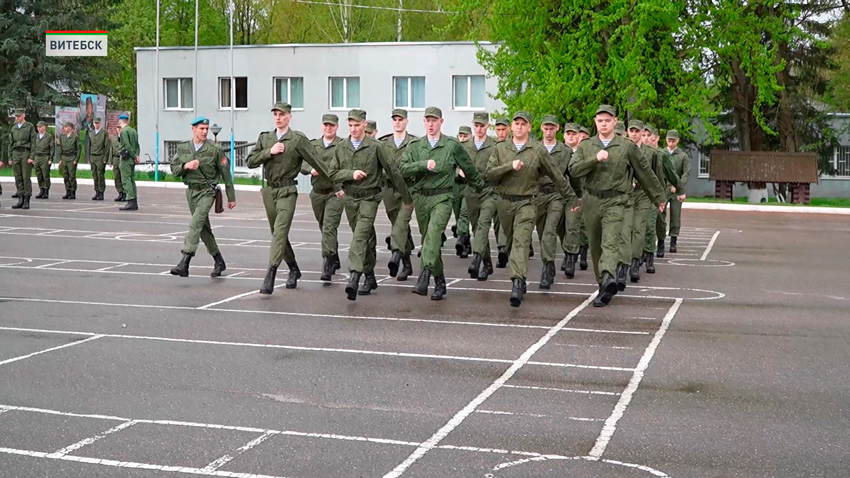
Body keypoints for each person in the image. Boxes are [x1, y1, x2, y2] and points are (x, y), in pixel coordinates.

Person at [569, 105, 666, 308]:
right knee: (595, 245)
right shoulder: (586, 145)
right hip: (592, 200)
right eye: (600, 120)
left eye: (608, 120)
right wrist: (594, 159)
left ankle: (608, 275)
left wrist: (659, 197)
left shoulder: (626, 146)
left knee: (610, 240)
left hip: (616, 200)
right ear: (595, 122)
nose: (604, 124)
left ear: (615, 121)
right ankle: (603, 284)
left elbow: (644, 171)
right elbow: (574, 170)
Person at [487, 112, 578, 307]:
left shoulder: (537, 150)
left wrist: (572, 198)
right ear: (511, 127)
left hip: (527, 203)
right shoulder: (500, 149)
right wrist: (509, 166)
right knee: (511, 243)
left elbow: (557, 175)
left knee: (521, 242)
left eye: (523, 124)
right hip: (505, 202)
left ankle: (517, 282)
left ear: (529, 127)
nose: (520, 127)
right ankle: (518, 274)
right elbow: (490, 174)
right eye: (517, 123)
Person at [246, 102, 333, 294]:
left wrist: (338, 185)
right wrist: (269, 152)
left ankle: (270, 274)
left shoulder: (297, 139)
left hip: (287, 191)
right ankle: (293, 267)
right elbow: (250, 161)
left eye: (282, 114)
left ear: (289, 116)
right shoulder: (265, 138)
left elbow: (317, 162)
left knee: (280, 232)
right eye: (275, 114)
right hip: (270, 191)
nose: (278, 118)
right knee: (277, 233)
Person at [400, 106, 484, 300]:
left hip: (443, 198)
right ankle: (439, 281)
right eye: (428, 120)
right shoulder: (415, 146)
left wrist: (481, 188)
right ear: (424, 122)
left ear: (441, 122)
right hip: (422, 198)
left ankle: (424, 276)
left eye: (434, 120)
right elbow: (402, 169)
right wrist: (422, 165)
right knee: (429, 241)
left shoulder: (452, 146)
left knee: (433, 234)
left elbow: (469, 168)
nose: (431, 124)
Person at [329, 109, 413, 301]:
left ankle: (354, 277)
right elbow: (332, 173)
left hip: (370, 198)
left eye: (357, 125)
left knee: (359, 237)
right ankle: (370, 276)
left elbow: (392, 172)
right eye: (350, 125)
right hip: (351, 199)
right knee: (366, 239)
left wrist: (407, 198)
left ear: (365, 124)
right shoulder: (341, 147)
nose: (353, 129)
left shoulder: (376, 146)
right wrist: (350, 174)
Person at [169, 117, 237, 277]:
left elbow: (226, 173)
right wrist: (186, 166)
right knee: (203, 229)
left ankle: (185, 261)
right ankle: (219, 261)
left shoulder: (214, 149)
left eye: (206, 128)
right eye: (201, 128)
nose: (205, 131)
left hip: (207, 192)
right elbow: (174, 169)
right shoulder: (184, 148)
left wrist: (231, 197)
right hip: (191, 192)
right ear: (193, 129)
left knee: (195, 224)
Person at [303, 113, 345, 281]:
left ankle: (327, 262)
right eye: (326, 125)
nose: (328, 128)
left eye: (332, 125)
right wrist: (310, 169)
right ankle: (334, 256)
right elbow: (302, 162)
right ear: (322, 126)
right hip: (318, 193)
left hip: (335, 192)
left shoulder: (342, 145)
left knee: (329, 226)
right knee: (324, 227)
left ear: (337, 127)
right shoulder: (313, 145)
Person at [535, 115, 573, 289]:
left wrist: (576, 197)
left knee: (550, 231)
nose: (549, 132)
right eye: (546, 128)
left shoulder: (565, 151)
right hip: (538, 195)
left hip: (557, 195)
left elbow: (572, 175)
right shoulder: (534, 148)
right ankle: (548, 262)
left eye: (552, 128)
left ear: (557, 128)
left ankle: (547, 267)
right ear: (541, 128)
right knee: (542, 233)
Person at [379, 109, 417, 281]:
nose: (398, 122)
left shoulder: (414, 143)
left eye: (400, 119)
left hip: (407, 190)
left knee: (401, 224)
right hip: (389, 191)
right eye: (395, 119)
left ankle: (396, 255)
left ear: (406, 121)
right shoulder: (383, 143)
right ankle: (407, 263)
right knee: (399, 225)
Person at [640, 124, 680, 275]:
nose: (646, 139)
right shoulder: (636, 152)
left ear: (655, 138)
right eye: (643, 135)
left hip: (657, 193)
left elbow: (670, 174)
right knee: (641, 226)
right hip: (639, 195)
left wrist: (677, 188)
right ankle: (642, 254)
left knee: (657, 223)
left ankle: (657, 245)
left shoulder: (660, 154)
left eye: (648, 136)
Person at [464, 112, 499, 281]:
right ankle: (487, 263)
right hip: (471, 192)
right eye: (476, 125)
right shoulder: (465, 146)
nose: (478, 129)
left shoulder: (495, 146)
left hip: (489, 191)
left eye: (482, 126)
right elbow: (455, 166)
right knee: (476, 228)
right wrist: (459, 172)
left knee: (483, 225)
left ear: (488, 126)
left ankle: (476, 258)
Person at [657, 130, 690, 256]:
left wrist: (679, 185)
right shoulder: (660, 153)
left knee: (675, 215)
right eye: (669, 140)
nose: (670, 143)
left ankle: (673, 240)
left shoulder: (682, 156)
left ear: (677, 141)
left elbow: (686, 173)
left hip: (676, 189)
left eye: (673, 141)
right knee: (660, 215)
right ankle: (660, 241)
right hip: (663, 188)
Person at [559, 123, 585, 278]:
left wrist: (579, 196)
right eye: (568, 133)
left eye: (573, 134)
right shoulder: (559, 151)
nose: (570, 136)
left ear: (579, 136)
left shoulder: (583, 152)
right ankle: (568, 252)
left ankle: (570, 258)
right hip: (558, 195)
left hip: (576, 195)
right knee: (561, 228)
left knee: (572, 227)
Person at [8, 108, 37, 209]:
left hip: (25, 153)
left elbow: (33, 143)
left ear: (24, 115)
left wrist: (31, 157)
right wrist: (10, 157)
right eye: (16, 116)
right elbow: (10, 143)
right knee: (18, 177)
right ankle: (20, 198)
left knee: (26, 177)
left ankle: (26, 199)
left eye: (19, 116)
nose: (17, 118)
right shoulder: (14, 128)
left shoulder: (29, 126)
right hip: (16, 153)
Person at [451, 125, 472, 257]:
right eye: (461, 136)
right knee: (459, 215)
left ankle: (461, 239)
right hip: (457, 186)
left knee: (464, 213)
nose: (463, 138)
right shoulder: (454, 149)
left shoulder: (473, 149)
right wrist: (458, 171)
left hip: (469, 186)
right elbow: (449, 166)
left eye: (466, 136)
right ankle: (466, 244)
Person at [116, 114, 140, 211]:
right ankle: (134, 200)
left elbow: (127, 145)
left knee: (126, 180)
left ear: (120, 121)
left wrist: (133, 155)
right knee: (131, 179)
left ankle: (130, 200)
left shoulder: (124, 131)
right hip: (132, 159)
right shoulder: (133, 131)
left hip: (126, 158)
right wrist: (136, 156)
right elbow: (137, 145)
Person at [88, 117, 110, 200]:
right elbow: (89, 146)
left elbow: (107, 146)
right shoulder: (91, 133)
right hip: (93, 156)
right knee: (94, 175)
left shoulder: (104, 133)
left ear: (100, 123)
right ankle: (96, 191)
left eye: (97, 123)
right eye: (95, 123)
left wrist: (105, 158)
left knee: (100, 174)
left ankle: (101, 192)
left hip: (100, 156)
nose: (96, 124)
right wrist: (89, 157)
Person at [58, 123, 80, 200]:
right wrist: (60, 159)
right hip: (64, 157)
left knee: (72, 176)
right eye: (64, 127)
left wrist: (76, 159)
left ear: (70, 128)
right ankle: (67, 191)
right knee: (65, 176)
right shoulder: (62, 137)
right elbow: (60, 148)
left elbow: (78, 149)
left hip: (71, 158)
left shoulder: (75, 137)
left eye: (66, 127)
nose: (64, 128)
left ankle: (73, 191)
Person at [33, 121, 54, 200]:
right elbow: (33, 147)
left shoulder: (49, 137)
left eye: (40, 127)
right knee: (39, 174)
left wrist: (50, 158)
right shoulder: (36, 136)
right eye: (38, 127)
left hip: (45, 156)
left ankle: (46, 190)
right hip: (37, 157)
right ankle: (41, 190)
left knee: (45, 175)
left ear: (44, 127)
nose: (38, 128)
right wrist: (33, 158)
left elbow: (52, 148)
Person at [109, 133, 125, 201]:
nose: (118, 129)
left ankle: (124, 193)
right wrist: (110, 161)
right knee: (116, 176)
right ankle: (120, 192)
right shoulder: (113, 138)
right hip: (115, 158)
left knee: (123, 176)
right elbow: (111, 149)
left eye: (120, 128)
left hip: (122, 158)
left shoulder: (124, 137)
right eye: (117, 128)